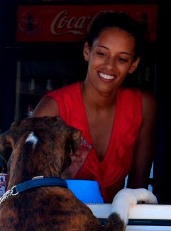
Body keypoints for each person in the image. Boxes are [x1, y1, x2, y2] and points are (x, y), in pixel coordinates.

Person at [33, 12, 156, 203]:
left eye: (121, 59)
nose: (109, 66)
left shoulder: (143, 106)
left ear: (133, 64)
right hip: (57, 225)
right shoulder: (53, 108)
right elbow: (24, 187)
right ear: (87, 51)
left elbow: (137, 189)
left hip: (114, 225)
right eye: (101, 53)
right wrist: (61, 177)